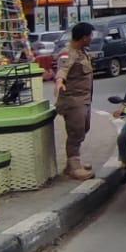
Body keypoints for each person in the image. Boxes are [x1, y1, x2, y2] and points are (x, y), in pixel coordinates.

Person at [54, 22, 96, 181]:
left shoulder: (82, 52)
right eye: (90, 36)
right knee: (75, 132)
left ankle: (71, 163)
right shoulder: (67, 53)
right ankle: (74, 167)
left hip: (84, 100)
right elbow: (62, 69)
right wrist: (59, 82)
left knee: (84, 128)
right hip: (73, 101)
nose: (92, 38)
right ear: (84, 37)